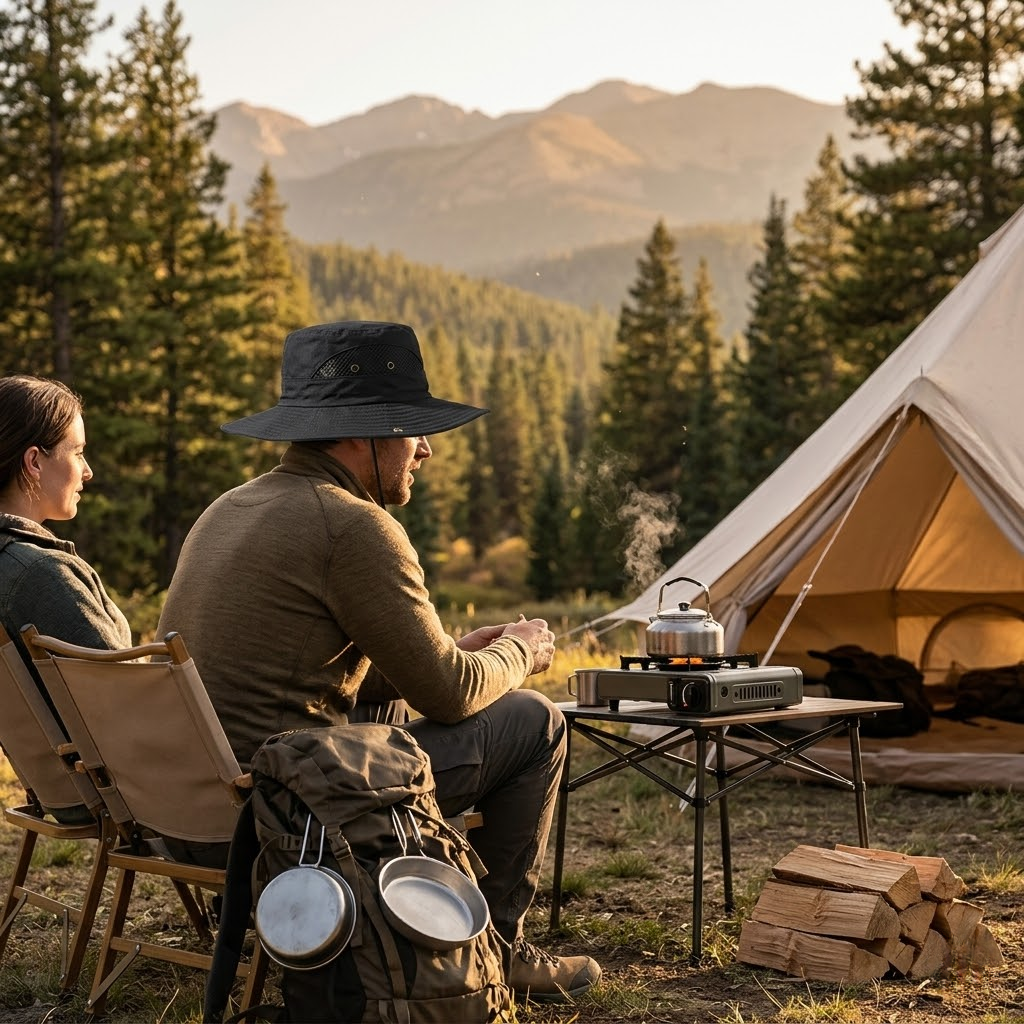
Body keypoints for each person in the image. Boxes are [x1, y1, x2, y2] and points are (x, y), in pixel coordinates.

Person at [157, 320, 601, 1003]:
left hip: (190, 817)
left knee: (386, 703)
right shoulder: (356, 526)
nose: (424, 448)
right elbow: (453, 696)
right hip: (283, 825)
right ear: (362, 435)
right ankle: (491, 951)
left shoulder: (232, 506)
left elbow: (304, 656)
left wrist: (449, 650)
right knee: (534, 722)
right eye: (411, 428)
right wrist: (523, 649)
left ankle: (321, 921)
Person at [0, 375, 133, 822]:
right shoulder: (39, 572)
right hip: (125, 796)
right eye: (77, 452)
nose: (88, 470)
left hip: (58, 788)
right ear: (34, 462)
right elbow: (127, 701)